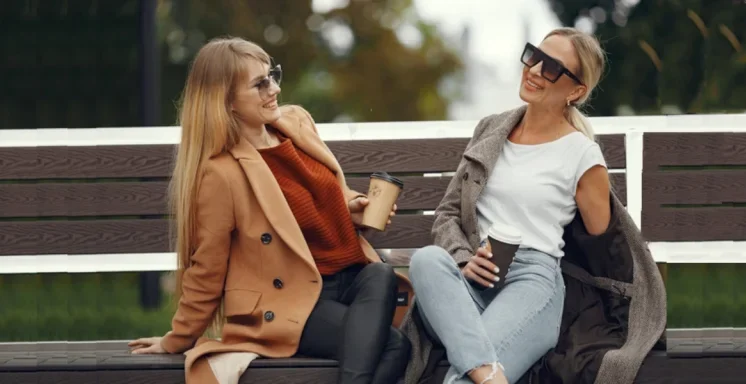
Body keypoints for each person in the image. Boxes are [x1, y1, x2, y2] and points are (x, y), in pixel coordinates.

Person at [127, 36, 410, 384]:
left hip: (350, 279)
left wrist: (349, 205)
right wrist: (177, 337)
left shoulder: (295, 123)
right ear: (226, 101)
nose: (273, 89)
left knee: (380, 273)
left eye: (272, 75)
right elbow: (207, 267)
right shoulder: (221, 172)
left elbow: (320, 191)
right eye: (259, 84)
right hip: (291, 299)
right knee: (395, 347)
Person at [407, 28, 610, 384]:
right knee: (426, 260)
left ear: (576, 91)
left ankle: (482, 371)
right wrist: (463, 260)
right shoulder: (492, 129)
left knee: (466, 377)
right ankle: (491, 375)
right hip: (474, 281)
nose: (533, 70)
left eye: (551, 67)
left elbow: (600, 232)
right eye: (534, 56)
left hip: (533, 282)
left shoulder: (581, 153)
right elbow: (447, 213)